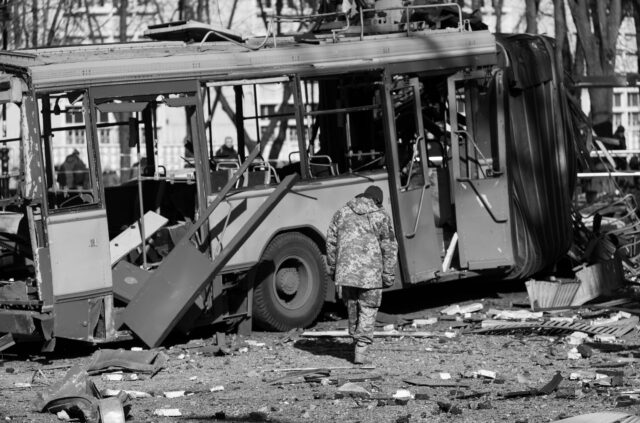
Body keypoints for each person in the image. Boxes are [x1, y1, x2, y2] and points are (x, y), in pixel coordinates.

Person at [326, 185, 398, 364]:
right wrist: (388, 274)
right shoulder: (380, 216)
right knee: (368, 308)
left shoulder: (341, 213)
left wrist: (334, 268)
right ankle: (361, 350)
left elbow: (331, 242)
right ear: (377, 200)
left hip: (347, 273)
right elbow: (389, 247)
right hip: (370, 274)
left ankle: (355, 339)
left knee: (352, 307)